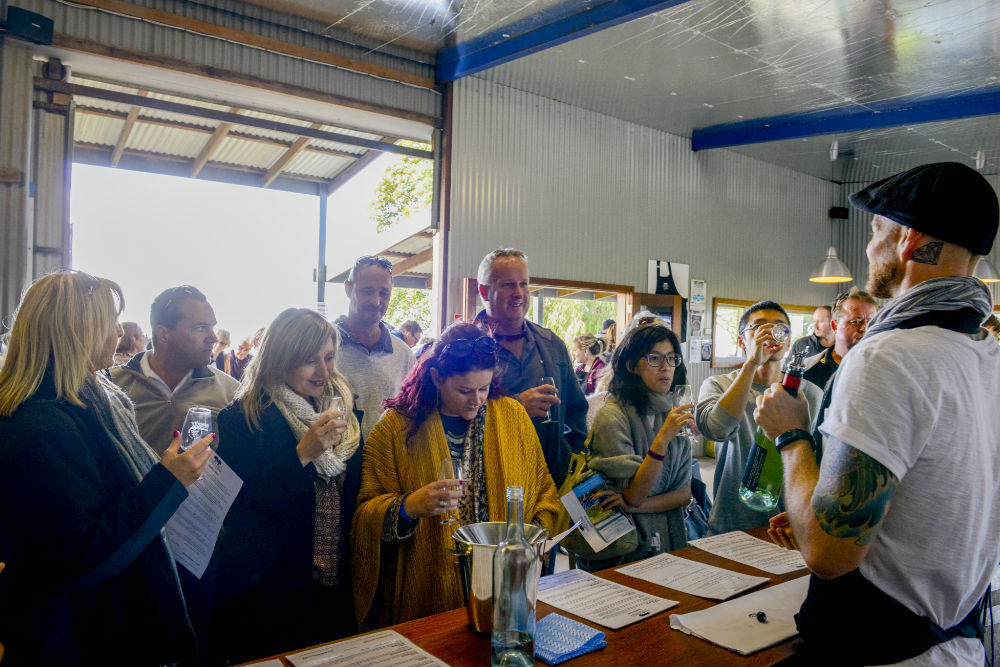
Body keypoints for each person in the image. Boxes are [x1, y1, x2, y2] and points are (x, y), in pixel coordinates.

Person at [755, 162, 1000, 667]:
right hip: (960, 643)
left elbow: (828, 553)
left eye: (875, 231)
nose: (869, 250)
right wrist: (816, 503)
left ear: (907, 239)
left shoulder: (889, 355)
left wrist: (792, 435)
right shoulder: (987, 353)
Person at [0, 271, 214, 666]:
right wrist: (169, 481)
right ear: (78, 330)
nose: (119, 331)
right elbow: (81, 556)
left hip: (94, 625)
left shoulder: (91, 398)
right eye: (110, 321)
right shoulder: (40, 426)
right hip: (74, 641)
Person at [351, 322, 561, 630]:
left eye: (484, 388)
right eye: (464, 390)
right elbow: (364, 516)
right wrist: (409, 506)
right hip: (425, 591)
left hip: (503, 590)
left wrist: (534, 538)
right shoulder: (395, 428)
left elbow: (544, 491)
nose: (476, 400)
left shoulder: (511, 416)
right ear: (436, 377)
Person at [212, 308, 361, 663]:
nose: (324, 372)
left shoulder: (343, 408)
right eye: (310, 361)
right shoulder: (242, 416)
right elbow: (240, 503)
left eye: (328, 358)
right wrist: (303, 455)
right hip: (272, 581)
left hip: (334, 573)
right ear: (280, 359)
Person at [696, 301, 823, 535]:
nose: (770, 333)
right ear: (742, 340)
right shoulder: (718, 385)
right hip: (731, 522)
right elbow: (716, 430)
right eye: (758, 327)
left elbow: (817, 458)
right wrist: (752, 363)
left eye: (780, 327)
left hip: (789, 524)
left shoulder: (811, 394)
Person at [474, 248, 588, 489]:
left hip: (552, 486)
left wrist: (577, 466)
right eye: (507, 285)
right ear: (484, 291)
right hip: (491, 487)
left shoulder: (552, 344)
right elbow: (447, 418)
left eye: (523, 284)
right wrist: (515, 406)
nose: (518, 294)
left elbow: (576, 411)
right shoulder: (464, 348)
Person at [584, 322, 694, 569]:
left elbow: (683, 495)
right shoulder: (612, 416)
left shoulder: (671, 414)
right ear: (631, 366)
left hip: (670, 542)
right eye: (654, 359)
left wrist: (634, 504)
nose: (666, 367)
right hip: (624, 550)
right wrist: (662, 439)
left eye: (671, 358)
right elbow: (635, 493)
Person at [110, 285, 238, 455]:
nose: (213, 338)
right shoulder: (112, 385)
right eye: (200, 328)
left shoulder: (231, 392)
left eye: (212, 327)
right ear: (163, 334)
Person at [335, 256, 416, 439]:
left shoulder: (403, 354)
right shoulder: (323, 347)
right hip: (334, 464)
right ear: (348, 289)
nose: (376, 300)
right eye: (367, 291)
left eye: (384, 293)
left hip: (386, 463)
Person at [801, 288, 879, 391]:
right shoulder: (806, 371)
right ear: (834, 326)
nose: (865, 328)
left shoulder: (882, 370)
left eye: (871, 323)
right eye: (856, 321)